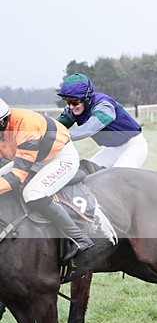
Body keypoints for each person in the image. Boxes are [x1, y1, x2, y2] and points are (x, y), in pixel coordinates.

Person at [0, 97, 94, 261]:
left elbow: (17, 177)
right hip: (36, 158)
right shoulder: (5, 125)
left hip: (60, 158)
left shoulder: (26, 127)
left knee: (33, 193)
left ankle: (79, 239)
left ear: (2, 120)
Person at [56, 73, 148, 168]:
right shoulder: (73, 109)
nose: (71, 106)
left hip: (133, 146)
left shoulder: (104, 106)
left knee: (116, 177)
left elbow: (89, 129)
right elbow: (55, 126)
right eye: (67, 101)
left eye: (75, 101)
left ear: (87, 98)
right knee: (87, 174)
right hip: (111, 149)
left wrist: (59, 136)